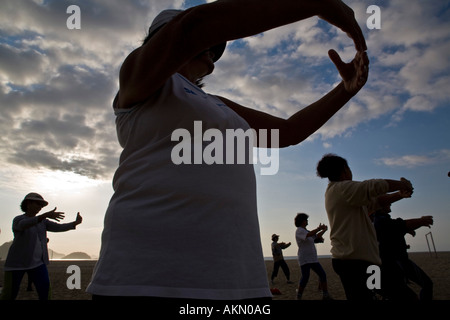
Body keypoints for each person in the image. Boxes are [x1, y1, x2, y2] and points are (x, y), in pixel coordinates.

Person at [87, 0, 370, 300]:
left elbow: (288, 132)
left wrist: (345, 90)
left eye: (216, 46)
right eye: (208, 43)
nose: (213, 50)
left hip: (238, 280)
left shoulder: (217, 103)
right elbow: (191, 29)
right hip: (146, 278)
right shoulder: (138, 78)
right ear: (159, 41)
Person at [316, 154, 413, 300]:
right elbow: (372, 186)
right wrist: (402, 184)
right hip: (355, 264)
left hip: (354, 261)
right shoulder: (342, 188)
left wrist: (399, 194)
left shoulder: (341, 192)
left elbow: (375, 202)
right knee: (403, 296)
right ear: (344, 170)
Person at [1, 193, 82, 300]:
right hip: (16, 264)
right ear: (28, 203)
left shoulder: (43, 222)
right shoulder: (18, 219)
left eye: (42, 205)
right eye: (38, 204)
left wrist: (74, 223)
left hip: (38, 264)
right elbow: (23, 225)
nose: (40, 207)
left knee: (45, 291)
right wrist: (43, 216)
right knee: (9, 294)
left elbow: (58, 227)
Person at [373, 201, 433, 300]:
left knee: (426, 284)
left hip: (399, 261)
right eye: (388, 202)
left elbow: (397, 227)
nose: (390, 203)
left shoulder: (384, 220)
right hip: (394, 263)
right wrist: (421, 221)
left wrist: (406, 232)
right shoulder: (380, 221)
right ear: (381, 206)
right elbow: (401, 225)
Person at [294, 213, 331, 300]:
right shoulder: (299, 230)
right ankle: (298, 295)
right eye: (306, 220)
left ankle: (325, 295)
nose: (307, 221)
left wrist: (324, 230)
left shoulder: (306, 231)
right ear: (302, 221)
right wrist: (318, 228)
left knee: (322, 274)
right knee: (305, 277)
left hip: (313, 258)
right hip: (305, 258)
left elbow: (316, 237)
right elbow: (309, 235)